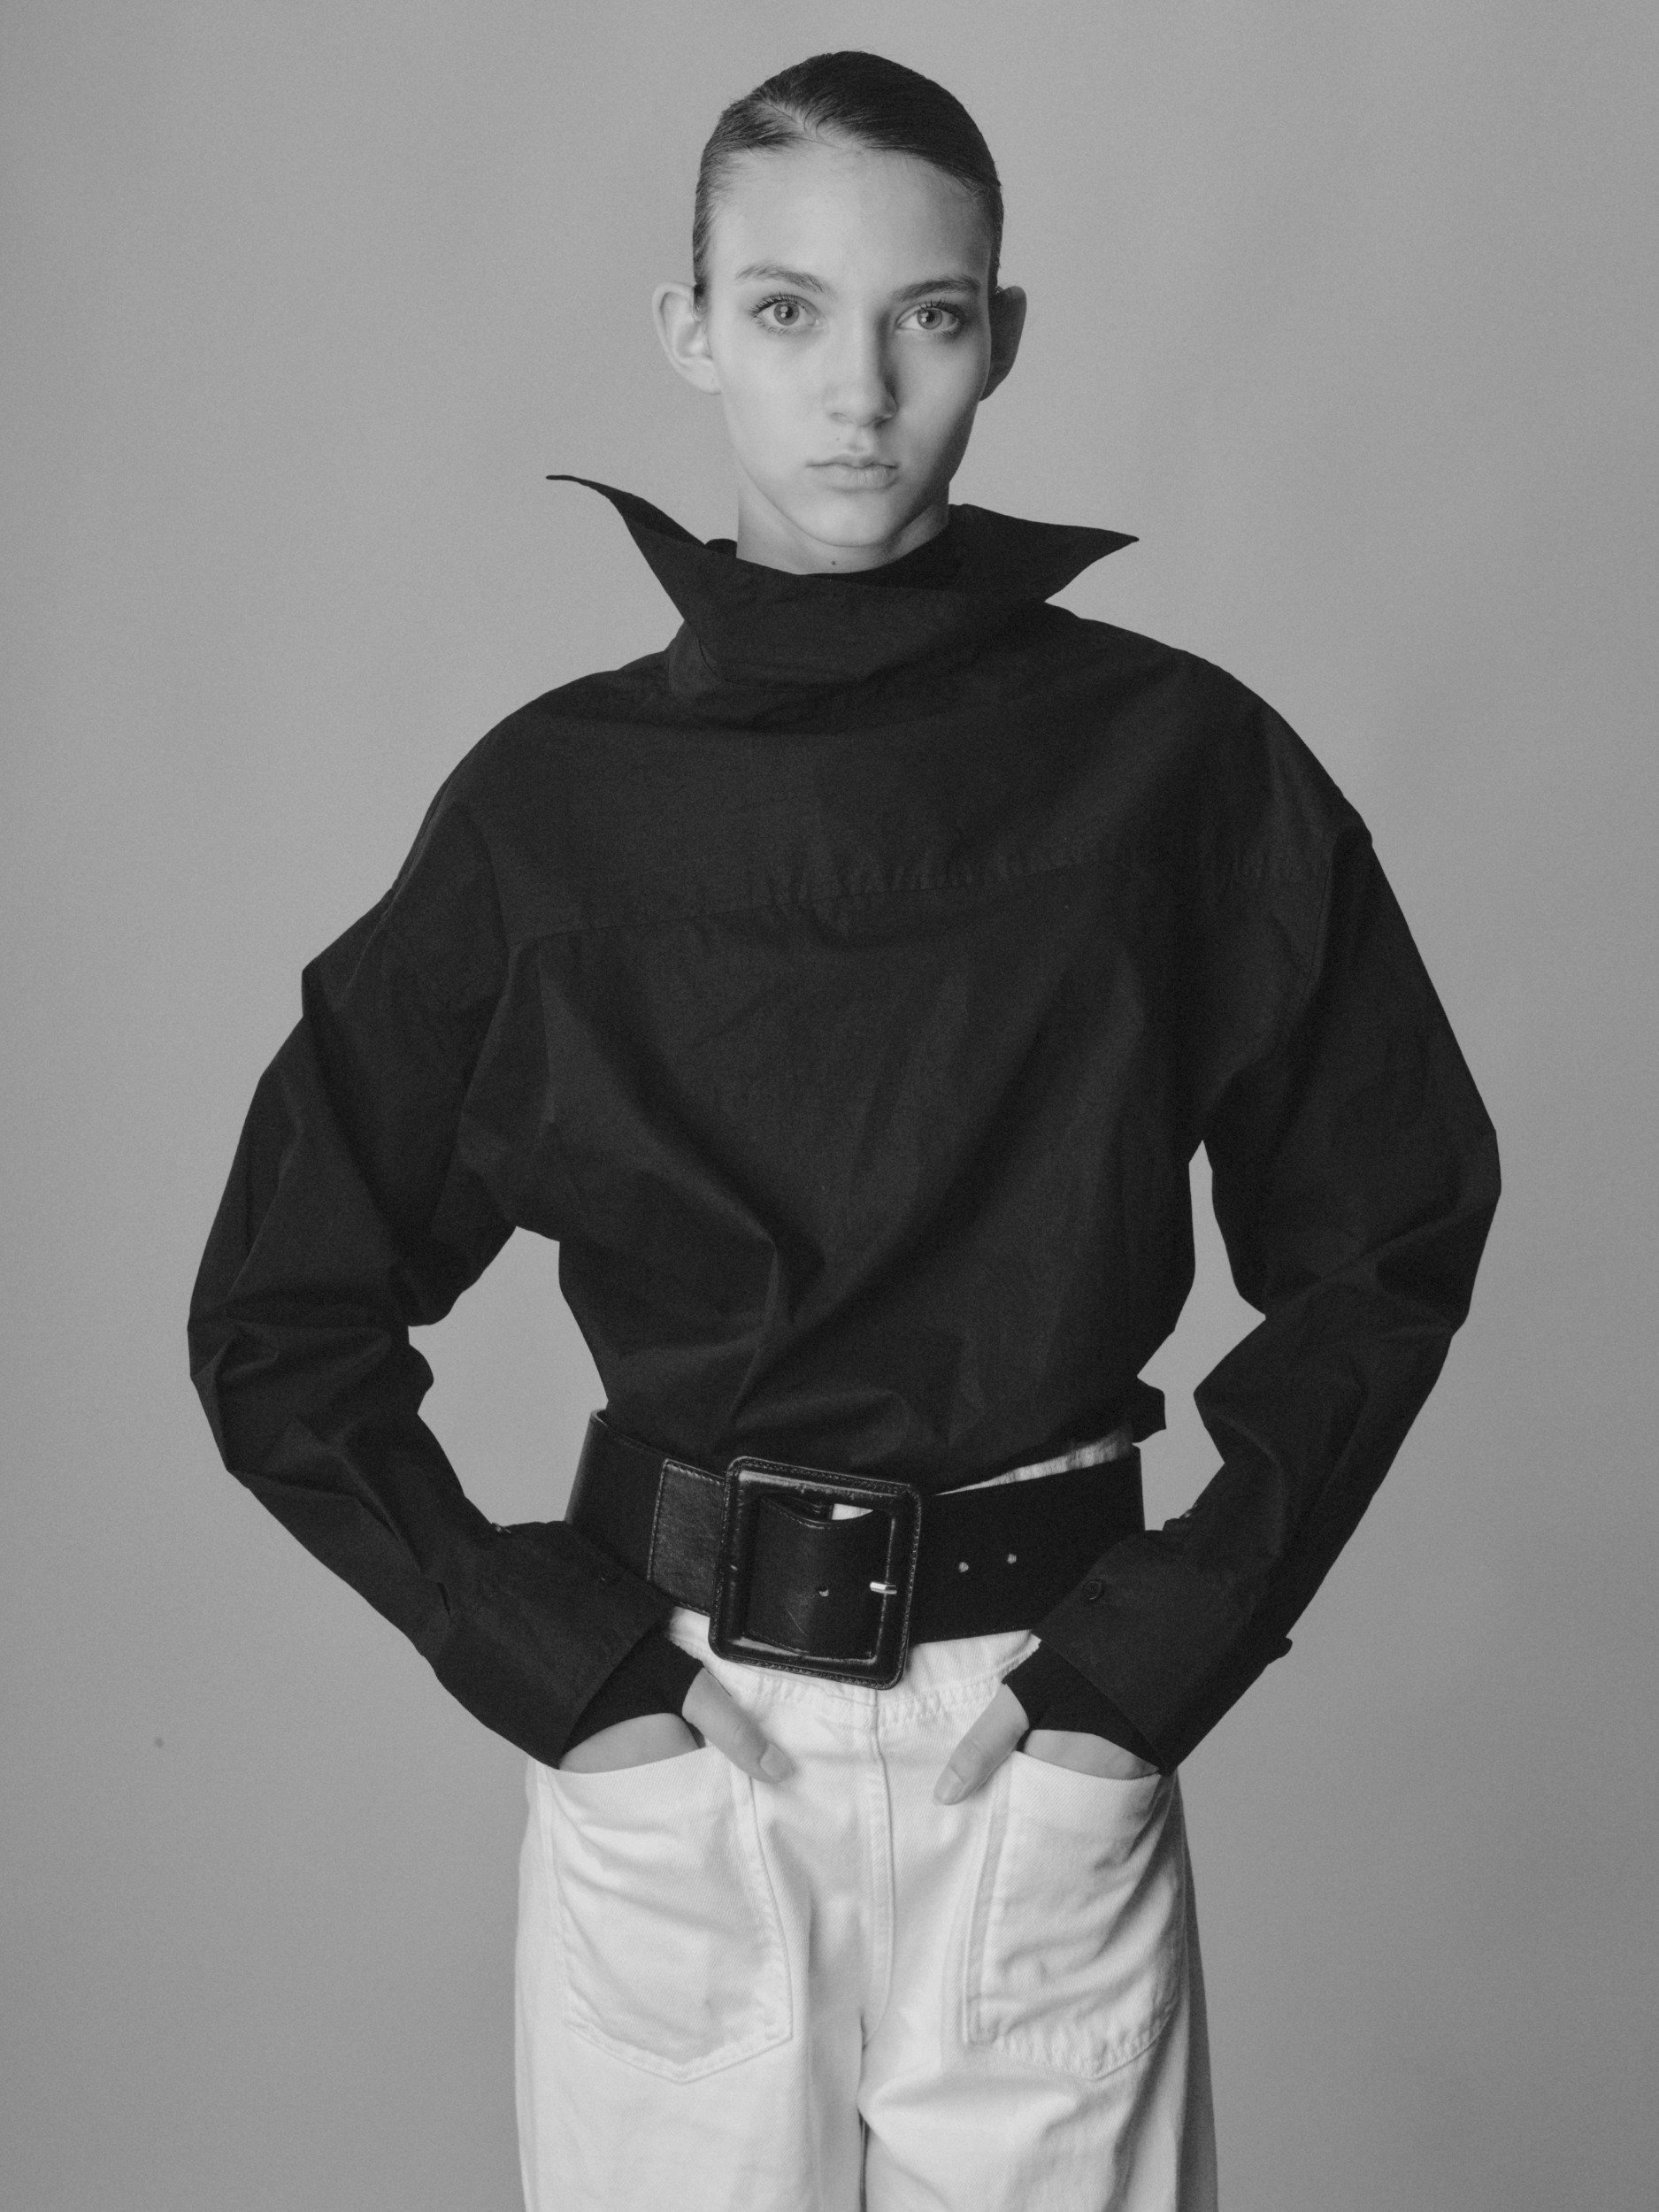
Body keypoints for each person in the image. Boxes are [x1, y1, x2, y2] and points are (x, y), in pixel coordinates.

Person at [188, 49, 1499, 2212]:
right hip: (683, 1738)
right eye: (787, 310)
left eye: (929, 315)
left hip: (1036, 1732)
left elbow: (1390, 1228)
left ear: (1002, 335)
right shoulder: (546, 811)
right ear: (690, 329)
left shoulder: (1181, 765)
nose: (859, 391)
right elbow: (280, 1310)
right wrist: (559, 1675)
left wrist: (1143, 1670)